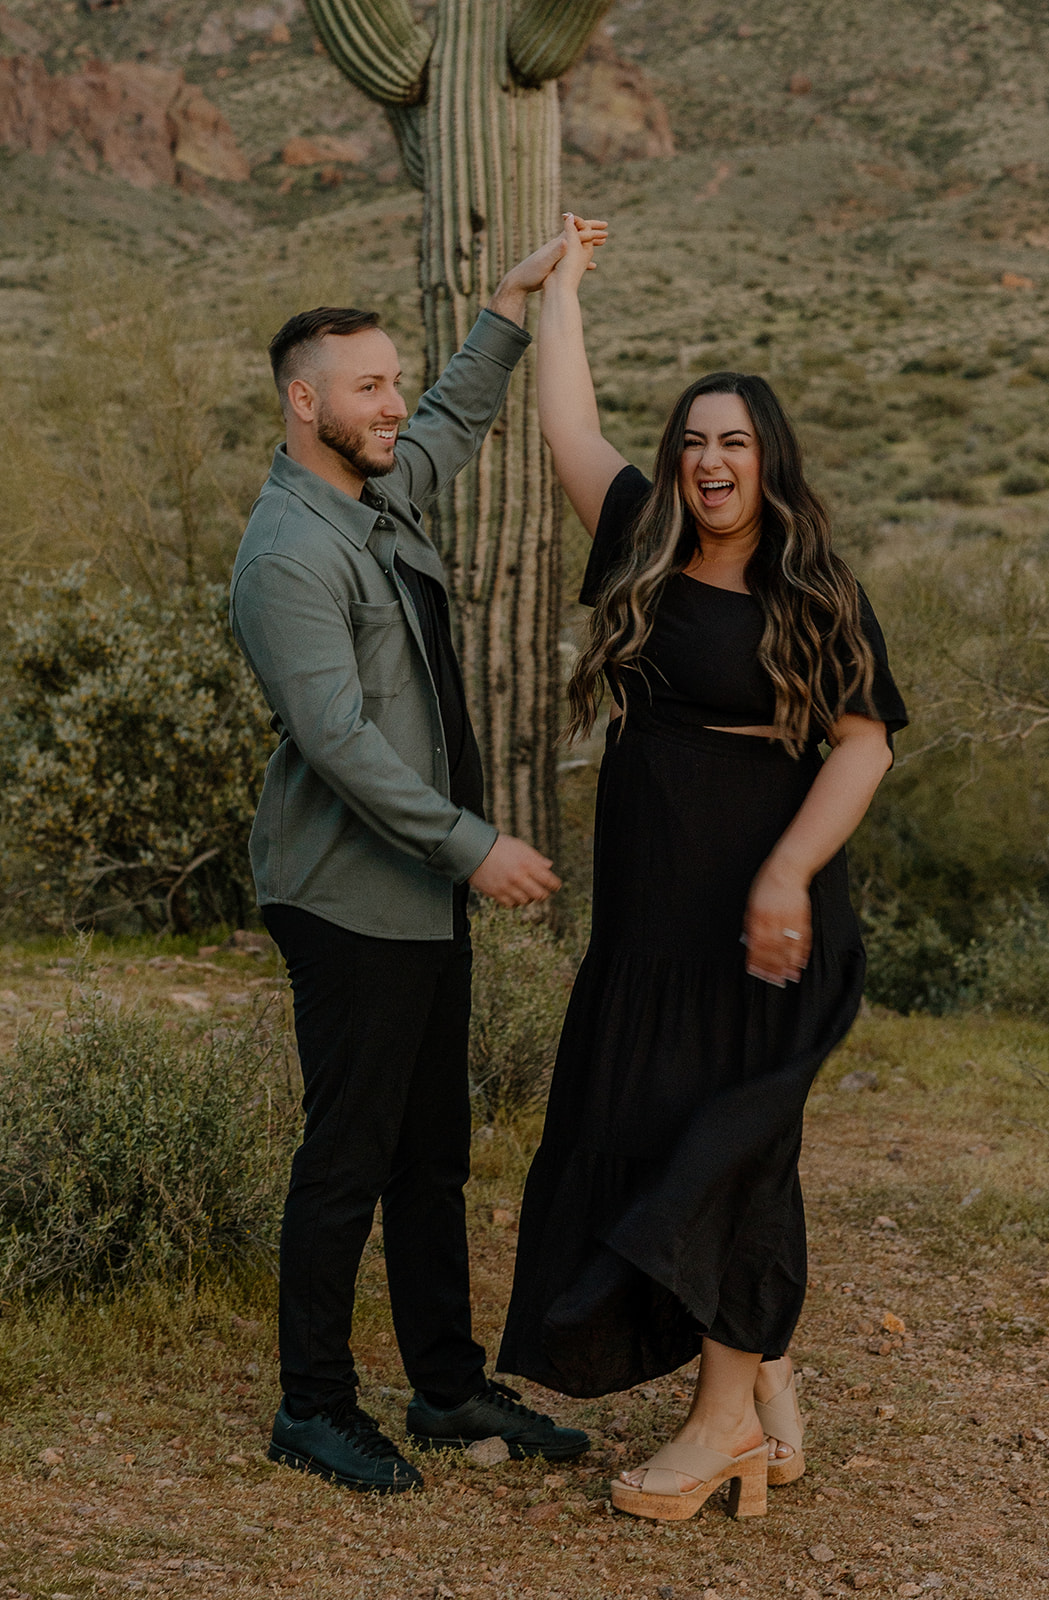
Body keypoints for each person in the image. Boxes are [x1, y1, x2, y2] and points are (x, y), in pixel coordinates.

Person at [498, 218, 908, 1522]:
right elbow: (568, 425)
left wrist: (785, 874)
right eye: (693, 438)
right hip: (647, 932)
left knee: (727, 1149)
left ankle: (719, 1423)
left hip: (760, 927)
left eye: (733, 441)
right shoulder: (637, 537)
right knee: (652, 1140)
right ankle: (765, 1382)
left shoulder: (812, 590)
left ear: (766, 460)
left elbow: (861, 745)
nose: (708, 458)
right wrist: (559, 292)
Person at [230, 224, 605, 1494]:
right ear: (305, 401)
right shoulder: (287, 551)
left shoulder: (374, 485)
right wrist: (474, 843)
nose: (394, 402)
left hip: (421, 889)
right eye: (370, 384)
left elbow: (448, 421)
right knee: (347, 1158)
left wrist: (506, 307)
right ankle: (312, 1407)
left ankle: (444, 1384)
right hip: (348, 896)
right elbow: (335, 739)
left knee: (430, 1152)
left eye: (392, 379)